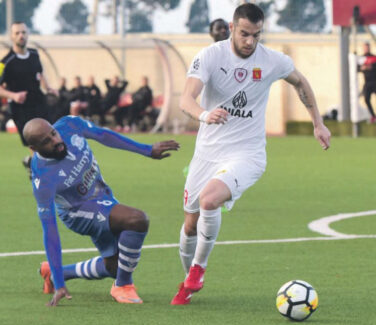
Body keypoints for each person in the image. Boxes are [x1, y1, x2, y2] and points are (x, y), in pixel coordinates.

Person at [170, 3, 331, 305]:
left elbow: (300, 82)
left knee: (209, 199)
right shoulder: (210, 56)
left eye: (256, 35)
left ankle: (198, 270)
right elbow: (186, 98)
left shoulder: (271, 60)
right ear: (232, 28)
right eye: (244, 34)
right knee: (190, 223)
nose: (250, 42)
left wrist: (318, 123)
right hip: (207, 154)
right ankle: (188, 279)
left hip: (247, 154)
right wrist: (205, 115)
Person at [23, 116, 179, 306]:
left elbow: (104, 135)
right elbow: (50, 231)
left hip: (103, 197)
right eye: (46, 142)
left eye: (53, 134)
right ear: (34, 149)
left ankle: (55, 273)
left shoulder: (70, 125)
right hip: (78, 212)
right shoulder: (43, 180)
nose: (56, 141)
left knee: (115, 266)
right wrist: (62, 287)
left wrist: (147, 150)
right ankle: (122, 286)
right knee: (136, 220)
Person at [0, 22, 56, 173]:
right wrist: (13, 95)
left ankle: (33, 164)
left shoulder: (34, 54)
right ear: (12, 36)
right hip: (21, 108)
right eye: (17, 33)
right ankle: (41, 173)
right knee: (36, 141)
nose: (21, 36)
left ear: (28, 34)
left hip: (39, 101)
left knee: (50, 135)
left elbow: (40, 73)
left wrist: (48, 87)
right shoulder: (5, 62)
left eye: (24, 32)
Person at [358, 42, 376, 123]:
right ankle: (373, 116)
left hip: (375, 81)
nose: (366, 49)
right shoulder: (361, 58)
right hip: (367, 83)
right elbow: (357, 69)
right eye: (365, 47)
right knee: (366, 99)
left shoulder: (374, 57)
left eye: (367, 47)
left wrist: (370, 67)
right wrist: (363, 68)